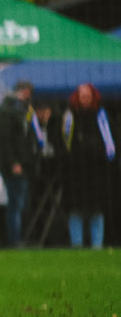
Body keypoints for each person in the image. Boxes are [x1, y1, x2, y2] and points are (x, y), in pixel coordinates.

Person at [61, 83, 116, 249]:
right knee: (76, 209)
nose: (85, 98)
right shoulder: (69, 117)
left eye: (87, 95)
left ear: (93, 97)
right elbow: (64, 145)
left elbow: (111, 143)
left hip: (97, 172)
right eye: (82, 95)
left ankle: (96, 246)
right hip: (75, 172)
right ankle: (76, 245)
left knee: (97, 209)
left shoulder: (102, 117)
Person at [0, 80, 39, 247]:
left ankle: (22, 238)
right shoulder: (9, 111)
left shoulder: (24, 110)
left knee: (21, 203)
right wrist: (14, 162)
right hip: (15, 166)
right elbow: (6, 140)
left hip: (25, 164)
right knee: (16, 204)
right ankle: (15, 240)